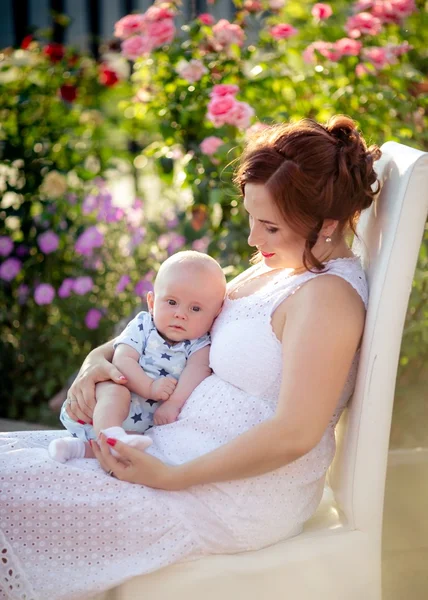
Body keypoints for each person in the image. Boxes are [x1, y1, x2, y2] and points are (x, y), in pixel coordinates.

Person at [0, 115, 380, 600]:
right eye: (250, 218)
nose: (252, 241)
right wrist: (102, 359)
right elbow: (171, 325)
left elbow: (295, 433)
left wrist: (173, 478)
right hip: (167, 448)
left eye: (269, 226)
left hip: (226, 493)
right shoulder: (282, 268)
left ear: (327, 224)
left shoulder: (328, 298)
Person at [48, 251, 226, 463]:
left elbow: (197, 371)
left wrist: (173, 404)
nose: (180, 314)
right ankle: (111, 434)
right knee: (115, 390)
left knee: (140, 444)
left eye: (195, 308)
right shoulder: (143, 326)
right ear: (151, 302)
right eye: (171, 302)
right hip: (108, 403)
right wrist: (150, 387)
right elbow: (122, 361)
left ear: (215, 314)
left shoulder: (199, 345)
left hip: (142, 423)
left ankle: (76, 448)